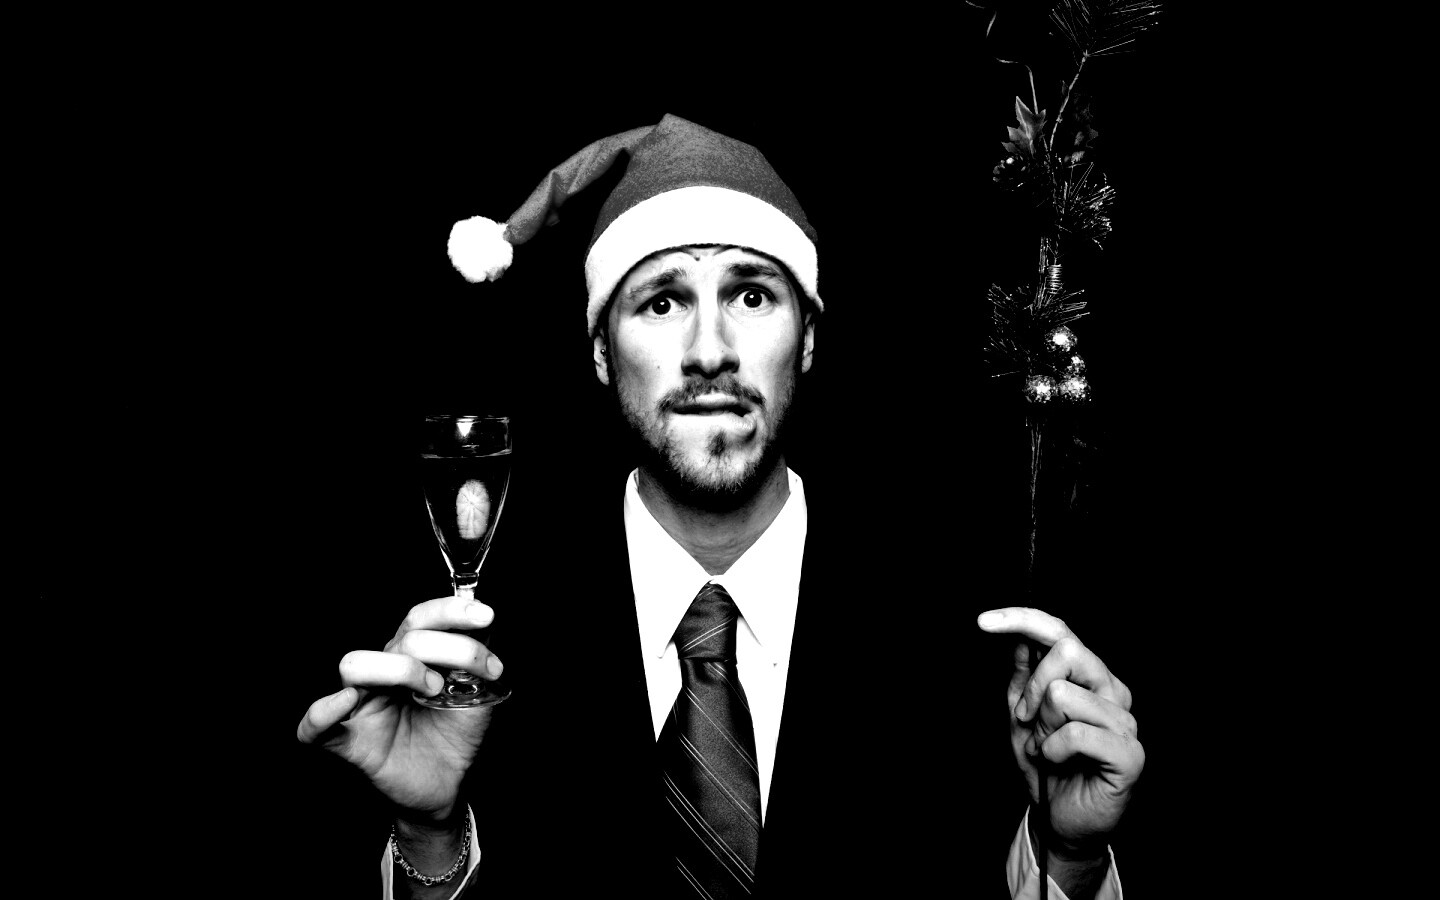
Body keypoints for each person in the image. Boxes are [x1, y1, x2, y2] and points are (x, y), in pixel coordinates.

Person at [295, 114, 1144, 899]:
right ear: (600, 353)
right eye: (662, 303)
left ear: (808, 338)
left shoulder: (963, 635)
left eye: (751, 295)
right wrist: (430, 833)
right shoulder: (477, 650)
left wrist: (1065, 858)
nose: (710, 352)